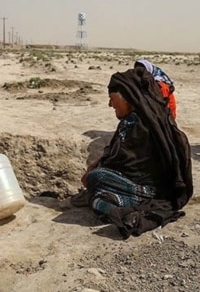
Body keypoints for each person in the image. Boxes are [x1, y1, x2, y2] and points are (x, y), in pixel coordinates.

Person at [71, 67, 193, 239]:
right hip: (137, 183)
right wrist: (98, 161)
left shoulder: (139, 124)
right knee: (99, 194)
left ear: (127, 99)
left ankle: (119, 204)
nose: (110, 104)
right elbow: (118, 154)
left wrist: (96, 170)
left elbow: (127, 164)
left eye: (112, 99)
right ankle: (114, 206)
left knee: (96, 178)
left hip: (148, 189)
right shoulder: (136, 119)